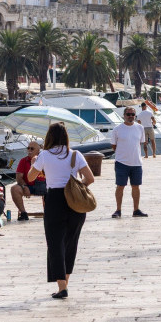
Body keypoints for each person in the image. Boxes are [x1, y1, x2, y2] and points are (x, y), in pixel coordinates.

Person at [29, 122, 96, 299]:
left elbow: (30, 178)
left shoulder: (44, 155)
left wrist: (34, 162)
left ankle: (62, 287)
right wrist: (77, 188)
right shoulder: (76, 154)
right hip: (74, 201)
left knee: (55, 243)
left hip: (54, 200)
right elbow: (90, 178)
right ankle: (65, 283)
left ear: (49, 137)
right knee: (70, 243)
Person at [110, 107, 147, 218]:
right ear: (124, 115)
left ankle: (136, 210)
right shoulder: (117, 129)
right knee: (120, 186)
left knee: (136, 186)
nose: (130, 116)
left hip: (136, 163)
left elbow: (140, 143)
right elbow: (113, 146)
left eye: (133, 114)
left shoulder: (140, 128)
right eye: (128, 114)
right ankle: (118, 210)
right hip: (121, 163)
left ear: (135, 116)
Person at [10, 141, 46, 220]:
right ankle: (23, 213)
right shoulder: (23, 161)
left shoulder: (44, 159)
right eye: (28, 148)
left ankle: (49, 213)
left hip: (44, 185)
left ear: (38, 150)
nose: (29, 150)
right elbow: (19, 177)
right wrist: (24, 186)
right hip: (29, 186)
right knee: (14, 189)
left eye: (32, 149)